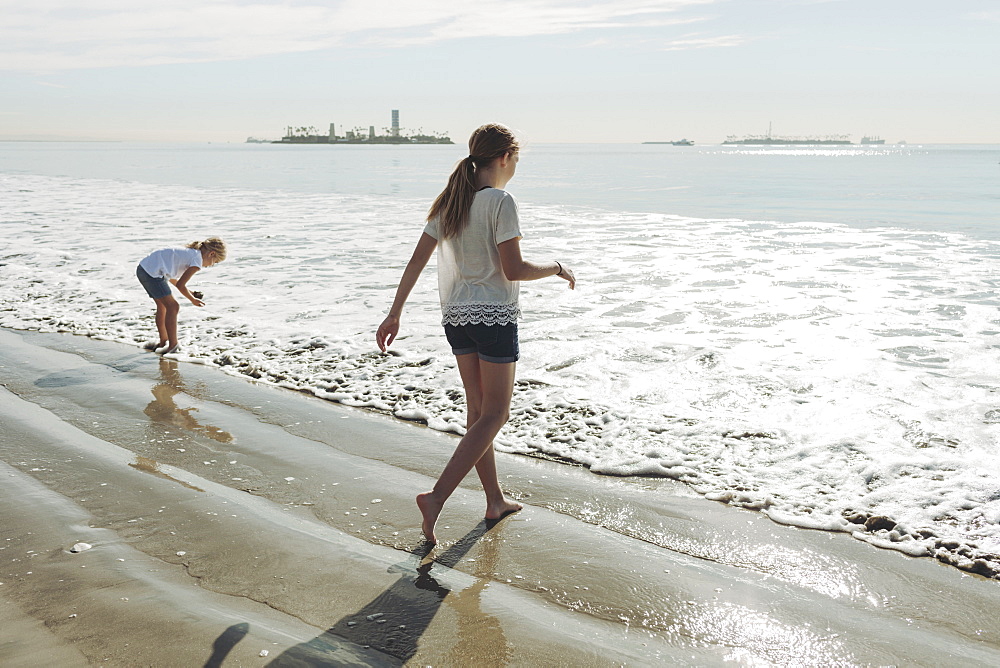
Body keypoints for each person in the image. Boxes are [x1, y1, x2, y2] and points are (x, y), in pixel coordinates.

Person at [376, 124, 576, 543]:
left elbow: (414, 263)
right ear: (505, 157)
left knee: (478, 413)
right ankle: (436, 497)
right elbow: (514, 270)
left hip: (456, 317)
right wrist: (557, 267)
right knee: (496, 414)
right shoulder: (500, 201)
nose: (516, 166)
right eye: (516, 159)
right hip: (494, 317)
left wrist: (395, 313)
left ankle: (494, 500)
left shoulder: (450, 202)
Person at [136, 237, 227, 354]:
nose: (211, 265)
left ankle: (163, 342)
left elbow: (171, 277)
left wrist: (190, 292)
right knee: (173, 307)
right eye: (215, 262)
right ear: (212, 254)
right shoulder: (197, 261)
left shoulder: (191, 254)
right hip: (151, 273)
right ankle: (173, 346)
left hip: (144, 269)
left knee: (163, 307)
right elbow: (180, 285)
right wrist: (192, 300)